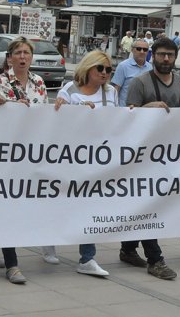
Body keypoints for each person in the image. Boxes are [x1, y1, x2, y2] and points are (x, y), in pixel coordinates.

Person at [121, 37, 180, 280]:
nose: (165, 59)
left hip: (166, 156)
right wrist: (146, 109)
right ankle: (156, 259)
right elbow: (125, 118)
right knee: (147, 206)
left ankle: (128, 248)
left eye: (170, 55)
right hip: (141, 158)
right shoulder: (139, 82)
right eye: (161, 54)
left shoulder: (178, 83)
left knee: (145, 206)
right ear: (153, 55)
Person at [0, 36, 49, 283]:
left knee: (8, 204)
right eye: (17, 53)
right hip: (2, 154)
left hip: (28, 153)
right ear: (9, 58)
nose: (22, 57)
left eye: (26, 53)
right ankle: (12, 264)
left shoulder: (39, 83)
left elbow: (44, 115)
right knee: (6, 204)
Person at [52, 50, 117, 278]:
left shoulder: (111, 93)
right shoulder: (69, 91)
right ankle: (49, 237)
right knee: (62, 203)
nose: (105, 74)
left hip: (97, 158)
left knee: (90, 206)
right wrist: (70, 111)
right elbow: (58, 124)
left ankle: (87, 258)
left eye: (108, 70)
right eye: (100, 68)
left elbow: (117, 123)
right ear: (88, 68)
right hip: (71, 157)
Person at [112, 39, 153, 107]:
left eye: (145, 49)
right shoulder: (123, 66)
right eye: (139, 49)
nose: (142, 52)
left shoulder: (150, 68)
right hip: (125, 110)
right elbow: (116, 90)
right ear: (132, 50)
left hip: (143, 111)